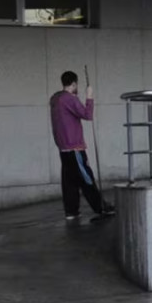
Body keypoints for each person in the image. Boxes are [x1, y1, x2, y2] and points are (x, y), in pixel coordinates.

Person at [50, 70, 114, 223]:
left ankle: (71, 211)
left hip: (63, 148)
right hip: (75, 148)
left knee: (69, 181)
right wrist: (89, 96)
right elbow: (87, 115)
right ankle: (101, 207)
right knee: (86, 178)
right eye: (76, 84)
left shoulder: (55, 98)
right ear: (73, 83)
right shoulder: (69, 99)